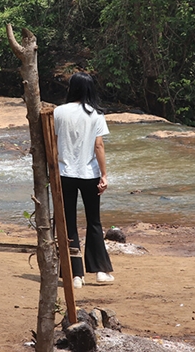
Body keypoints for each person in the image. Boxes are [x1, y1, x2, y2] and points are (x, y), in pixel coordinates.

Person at [54, 72, 114, 289]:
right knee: (94, 221)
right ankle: (99, 271)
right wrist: (104, 175)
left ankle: (75, 274)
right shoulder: (96, 114)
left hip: (65, 173)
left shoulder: (58, 112)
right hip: (89, 174)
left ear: (73, 88)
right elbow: (99, 146)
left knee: (68, 221)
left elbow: (54, 142)